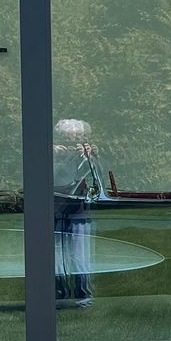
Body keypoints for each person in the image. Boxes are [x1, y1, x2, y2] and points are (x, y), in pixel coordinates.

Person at [52, 118, 98, 308]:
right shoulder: (51, 154)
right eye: (67, 139)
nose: (72, 144)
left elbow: (99, 177)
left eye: (76, 139)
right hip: (54, 207)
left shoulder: (88, 155)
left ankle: (83, 294)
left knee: (80, 255)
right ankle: (58, 293)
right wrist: (52, 154)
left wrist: (91, 156)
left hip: (79, 210)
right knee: (55, 254)